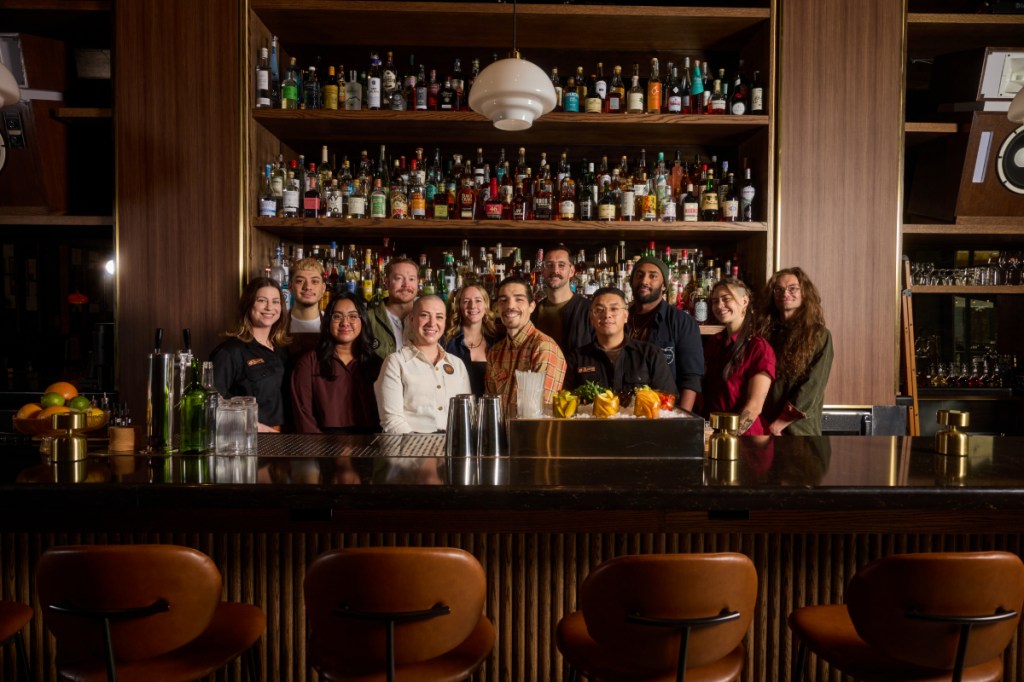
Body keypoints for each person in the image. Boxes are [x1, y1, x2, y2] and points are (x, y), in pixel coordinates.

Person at [374, 295, 471, 434]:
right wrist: (421, 447)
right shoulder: (395, 363)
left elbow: (466, 415)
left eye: (439, 317)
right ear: (412, 319)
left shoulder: (457, 364)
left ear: (445, 321)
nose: (432, 323)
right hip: (410, 446)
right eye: (424, 315)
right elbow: (392, 421)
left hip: (453, 445)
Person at [290, 291, 382, 434]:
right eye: (337, 316)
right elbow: (304, 419)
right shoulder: (308, 363)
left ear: (363, 321)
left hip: (369, 443)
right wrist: (323, 447)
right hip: (322, 444)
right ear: (328, 321)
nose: (345, 323)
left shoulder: (377, 364)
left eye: (352, 316)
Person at [756, 267, 834, 435]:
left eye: (793, 288)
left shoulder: (818, 335)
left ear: (804, 293)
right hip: (763, 425)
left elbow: (813, 385)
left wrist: (780, 423)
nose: (785, 293)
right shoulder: (764, 333)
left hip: (797, 428)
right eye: (779, 289)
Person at [565, 287, 676, 399]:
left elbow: (667, 401)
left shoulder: (650, 354)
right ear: (591, 318)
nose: (607, 315)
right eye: (599, 310)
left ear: (625, 316)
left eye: (614, 309)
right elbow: (565, 401)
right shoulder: (576, 359)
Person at [211, 277, 291, 432]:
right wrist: (255, 426)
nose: (269, 307)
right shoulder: (230, 351)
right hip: (249, 436)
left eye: (275, 302)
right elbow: (212, 403)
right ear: (248, 304)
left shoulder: (282, 350)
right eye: (261, 300)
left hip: (285, 436)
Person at [625, 256, 704, 411]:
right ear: (631, 281)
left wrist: (681, 419)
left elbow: (691, 379)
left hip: (665, 413)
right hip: (625, 412)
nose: (644, 281)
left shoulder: (681, 321)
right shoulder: (620, 318)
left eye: (653, 276)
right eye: (639, 275)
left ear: (664, 286)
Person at [702, 277, 776, 435]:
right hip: (713, 433)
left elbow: (754, 406)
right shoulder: (714, 343)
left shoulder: (759, 347)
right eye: (715, 301)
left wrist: (729, 436)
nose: (719, 305)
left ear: (744, 301)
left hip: (745, 439)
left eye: (726, 299)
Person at [485, 277, 567, 412]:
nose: (510, 306)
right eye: (503, 300)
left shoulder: (544, 348)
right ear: (497, 307)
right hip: (500, 426)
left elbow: (541, 412)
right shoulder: (495, 352)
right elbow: (490, 407)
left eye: (519, 299)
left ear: (532, 306)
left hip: (531, 426)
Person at [531, 244, 594, 355]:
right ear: (542, 271)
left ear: (571, 271)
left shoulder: (588, 310)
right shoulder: (534, 312)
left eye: (561, 265)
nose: (555, 270)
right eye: (549, 265)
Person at [444, 283, 500, 396]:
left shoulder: (497, 342)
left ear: (485, 306)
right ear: (459, 306)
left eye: (478, 300)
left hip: (488, 405)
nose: (472, 306)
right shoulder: (446, 342)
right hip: (456, 405)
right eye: (466, 301)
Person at [366, 256, 419, 361]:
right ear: (386, 282)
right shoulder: (369, 319)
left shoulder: (427, 319)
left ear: (418, 283)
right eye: (399, 278)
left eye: (411, 279)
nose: (406, 284)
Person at [287, 257, 328, 359]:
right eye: (300, 281)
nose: (308, 287)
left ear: (323, 288)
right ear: (290, 286)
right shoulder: (278, 323)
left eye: (314, 281)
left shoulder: (330, 324)